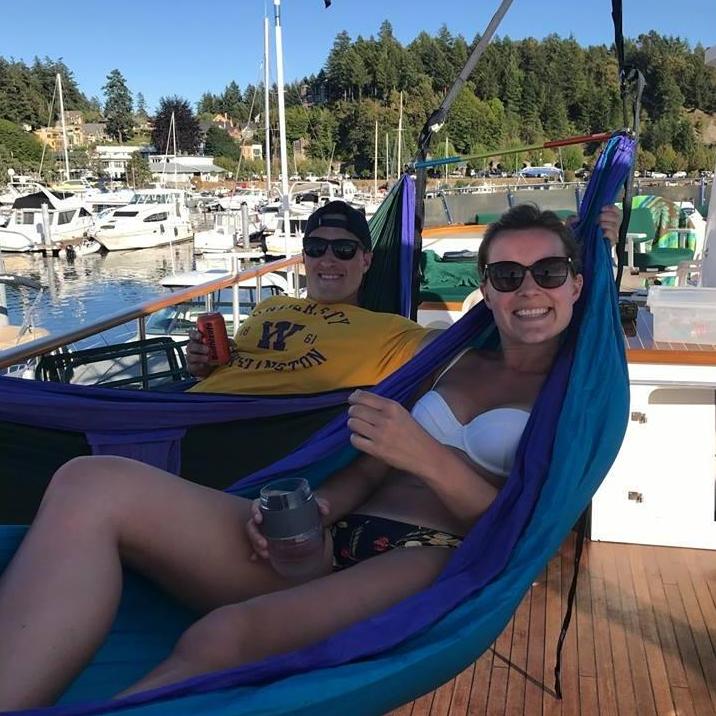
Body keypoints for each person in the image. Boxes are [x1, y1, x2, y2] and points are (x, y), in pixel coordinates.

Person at [0, 203, 607, 708]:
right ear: (487, 290)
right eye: (506, 276)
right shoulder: (446, 359)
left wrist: (425, 455)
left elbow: (524, 533)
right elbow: (372, 466)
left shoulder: (578, 395)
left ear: (576, 284)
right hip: (328, 536)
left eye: (550, 271)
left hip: (427, 557)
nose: (529, 289)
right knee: (91, 481)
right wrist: (320, 506)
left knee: (221, 636)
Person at [186, 199, 431, 395]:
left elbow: (459, 351)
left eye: (343, 250)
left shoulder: (389, 331)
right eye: (316, 248)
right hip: (186, 407)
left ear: (366, 261)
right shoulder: (269, 304)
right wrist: (205, 366)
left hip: (237, 429)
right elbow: (238, 367)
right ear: (304, 257)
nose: (327, 260)